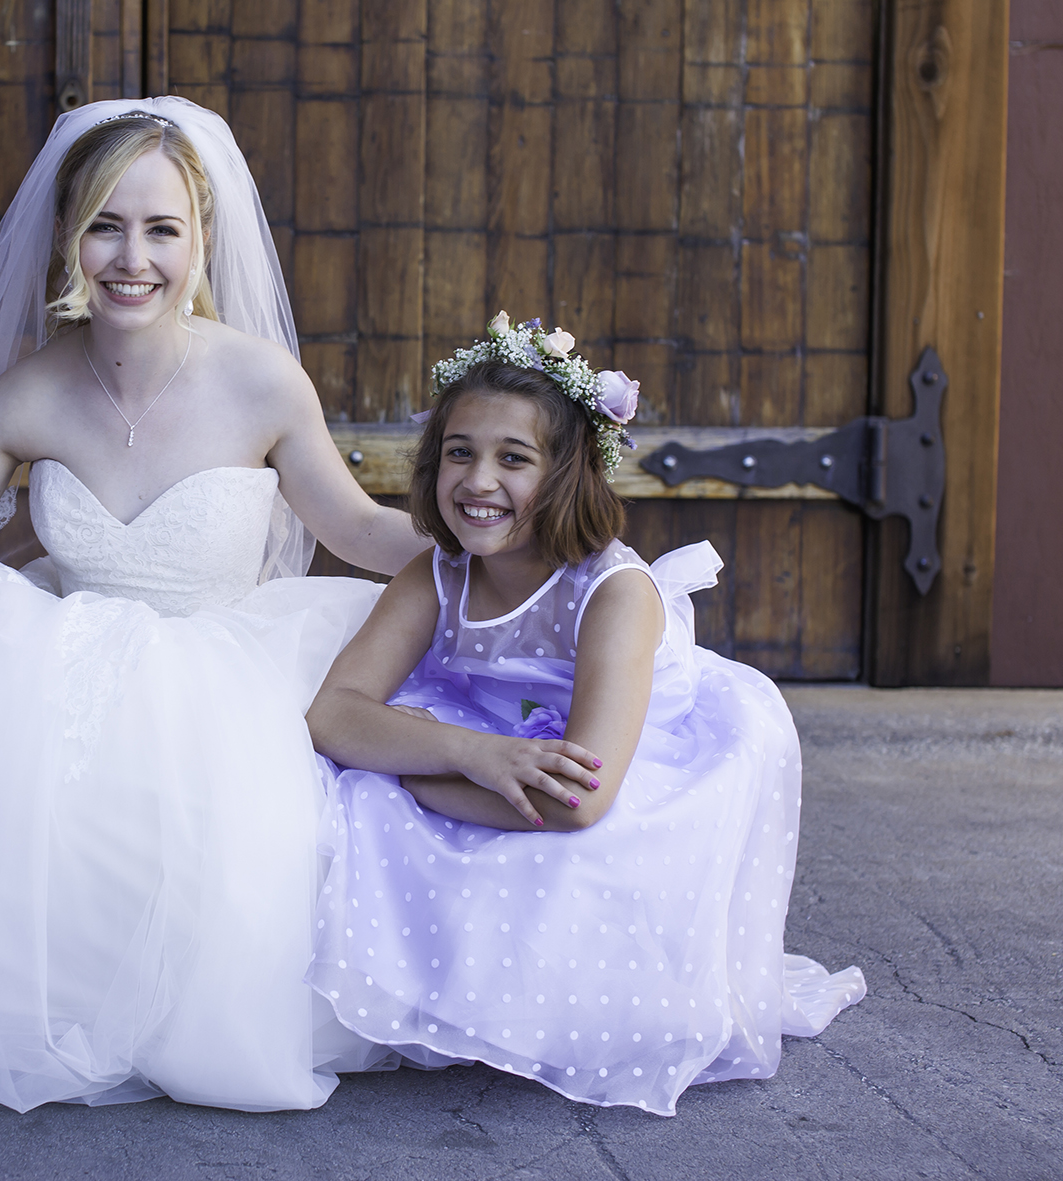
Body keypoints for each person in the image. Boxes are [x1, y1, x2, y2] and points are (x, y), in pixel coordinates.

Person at [0, 100, 432, 1111]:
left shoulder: (260, 382)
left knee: (240, 825)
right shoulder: (26, 393)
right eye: (104, 224)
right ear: (66, 238)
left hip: (225, 667)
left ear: (202, 241)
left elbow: (358, 532)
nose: (130, 256)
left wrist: (507, 543)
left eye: (161, 229)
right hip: (53, 655)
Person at [303, 314, 866, 1114]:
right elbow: (333, 712)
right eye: (459, 451)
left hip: (622, 757)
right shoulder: (437, 576)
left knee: (561, 854)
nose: (478, 480)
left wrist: (417, 776)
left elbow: (580, 800)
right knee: (350, 802)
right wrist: (470, 753)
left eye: (514, 458)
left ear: (567, 471)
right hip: (494, 743)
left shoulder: (613, 593)